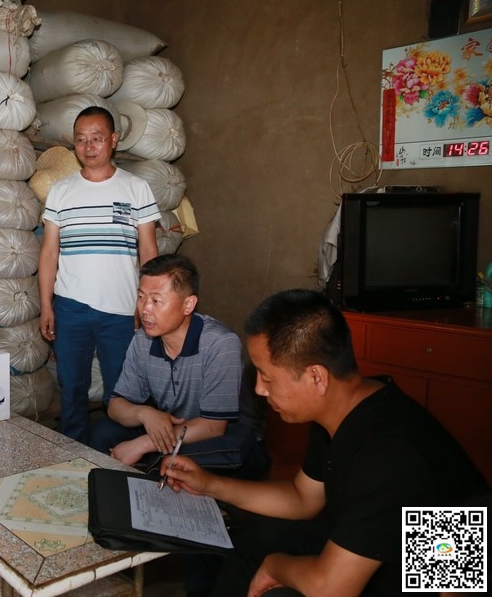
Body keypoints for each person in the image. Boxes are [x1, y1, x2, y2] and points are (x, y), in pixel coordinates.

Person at [163, 289, 489, 597]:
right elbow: (303, 498)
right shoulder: (348, 408)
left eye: (267, 376)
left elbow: (330, 589)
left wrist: (276, 566)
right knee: (256, 539)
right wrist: (210, 485)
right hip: (386, 552)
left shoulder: (389, 452)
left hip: (439, 579)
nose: (259, 389)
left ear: (316, 377)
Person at [38, 105, 161, 444]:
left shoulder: (136, 188)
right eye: (81, 140)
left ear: (114, 140)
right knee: (72, 387)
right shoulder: (61, 191)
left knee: (123, 391)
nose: (88, 146)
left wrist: (147, 304)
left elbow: (149, 251)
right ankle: (73, 452)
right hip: (70, 307)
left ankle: (120, 454)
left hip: (122, 309)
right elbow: (49, 253)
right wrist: (46, 305)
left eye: (97, 138)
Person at [89, 253, 269, 482]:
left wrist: (143, 443)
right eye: (141, 297)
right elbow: (116, 406)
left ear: (188, 305)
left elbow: (213, 427)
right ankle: (108, 495)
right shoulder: (143, 340)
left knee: (172, 462)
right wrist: (145, 414)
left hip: (228, 440)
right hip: (177, 432)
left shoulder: (220, 343)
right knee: (102, 432)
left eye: (157, 301)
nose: (145, 309)